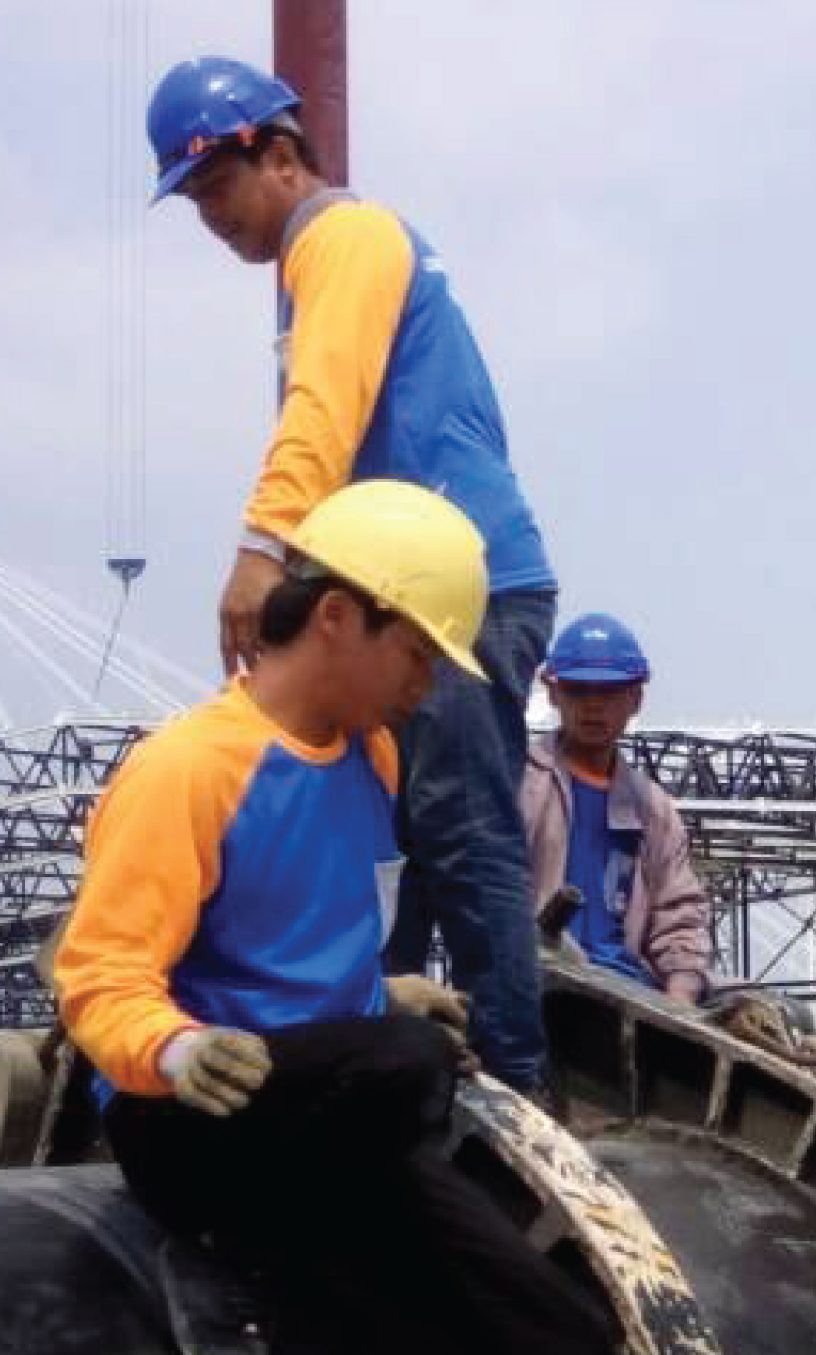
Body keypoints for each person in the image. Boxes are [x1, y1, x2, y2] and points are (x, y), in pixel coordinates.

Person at [51, 480, 723, 1355]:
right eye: (417, 650)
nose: (426, 685)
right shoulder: (192, 766)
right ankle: (218, 1248)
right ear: (343, 618)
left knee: (549, 1327)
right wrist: (178, 1045)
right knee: (410, 1061)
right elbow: (101, 976)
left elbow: (326, 962)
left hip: (328, 1114)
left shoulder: (368, 761)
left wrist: (374, 997)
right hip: (197, 1122)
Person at [148, 56, 553, 1092]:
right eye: (193, 202)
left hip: (453, 588)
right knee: (399, 839)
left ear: (278, 155)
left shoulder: (344, 238)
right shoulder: (329, 256)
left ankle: (521, 1088)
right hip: (405, 585)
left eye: (216, 188)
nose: (211, 218)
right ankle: (401, 1076)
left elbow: (322, 406)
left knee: (460, 837)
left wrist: (263, 550)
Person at [521, 614, 712, 1003]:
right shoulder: (521, 784)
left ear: (636, 698)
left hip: (627, 994)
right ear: (553, 693)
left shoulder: (653, 810)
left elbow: (679, 913)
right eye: (578, 690)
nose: (593, 706)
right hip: (536, 983)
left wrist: (681, 998)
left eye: (607, 693)